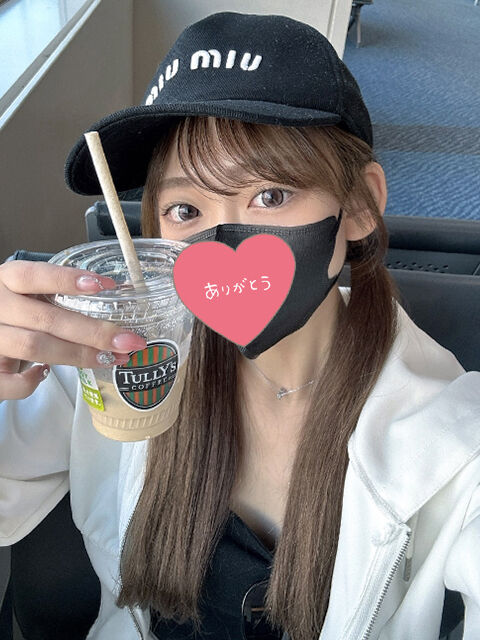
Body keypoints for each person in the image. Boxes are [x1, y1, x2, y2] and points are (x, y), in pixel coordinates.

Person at [1, 11, 479, 640]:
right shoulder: (109, 367)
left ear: (359, 204)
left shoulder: (453, 437)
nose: (221, 241)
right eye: (184, 208)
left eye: (270, 195)